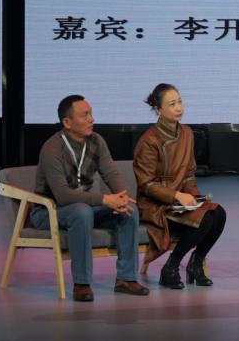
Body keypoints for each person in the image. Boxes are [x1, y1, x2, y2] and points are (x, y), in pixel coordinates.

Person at [31, 95, 150, 302]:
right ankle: (82, 283)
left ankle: (126, 278)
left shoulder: (96, 141)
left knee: (129, 212)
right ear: (67, 122)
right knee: (81, 212)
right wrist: (105, 200)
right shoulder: (52, 149)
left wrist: (121, 198)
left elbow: (111, 174)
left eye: (91, 114)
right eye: (85, 115)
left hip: (85, 207)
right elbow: (63, 195)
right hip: (50, 210)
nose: (91, 119)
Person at [133, 83, 227, 289]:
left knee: (218, 214)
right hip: (156, 206)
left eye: (180, 102)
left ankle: (196, 263)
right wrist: (177, 195)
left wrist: (194, 198)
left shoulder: (186, 133)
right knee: (204, 221)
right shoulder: (149, 141)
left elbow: (189, 174)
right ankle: (171, 266)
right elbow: (146, 184)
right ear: (159, 109)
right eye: (172, 104)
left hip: (178, 203)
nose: (179, 108)